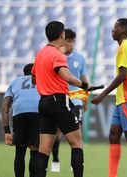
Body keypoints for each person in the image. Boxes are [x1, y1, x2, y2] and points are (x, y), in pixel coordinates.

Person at [31, 21, 92, 177]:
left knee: (44, 150)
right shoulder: (57, 54)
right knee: (77, 143)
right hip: (58, 100)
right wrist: (84, 85)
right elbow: (66, 76)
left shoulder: (40, 53)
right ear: (62, 35)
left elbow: (33, 79)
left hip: (43, 102)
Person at [91, 18, 127, 177]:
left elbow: (123, 75)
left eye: (115, 26)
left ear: (123, 29)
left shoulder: (125, 46)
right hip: (123, 98)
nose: (112, 29)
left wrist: (102, 95)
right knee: (114, 134)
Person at [50, 28, 89, 173]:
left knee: (77, 133)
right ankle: (55, 158)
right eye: (68, 41)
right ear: (63, 41)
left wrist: (85, 98)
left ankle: (76, 166)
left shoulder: (80, 58)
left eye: (73, 41)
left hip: (77, 98)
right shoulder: (57, 57)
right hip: (61, 97)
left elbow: (84, 78)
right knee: (57, 133)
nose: (71, 44)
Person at [1, 63, 40, 177]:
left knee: (20, 152)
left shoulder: (15, 82)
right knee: (35, 151)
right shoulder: (41, 79)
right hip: (37, 113)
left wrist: (7, 131)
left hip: (19, 114)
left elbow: (5, 107)